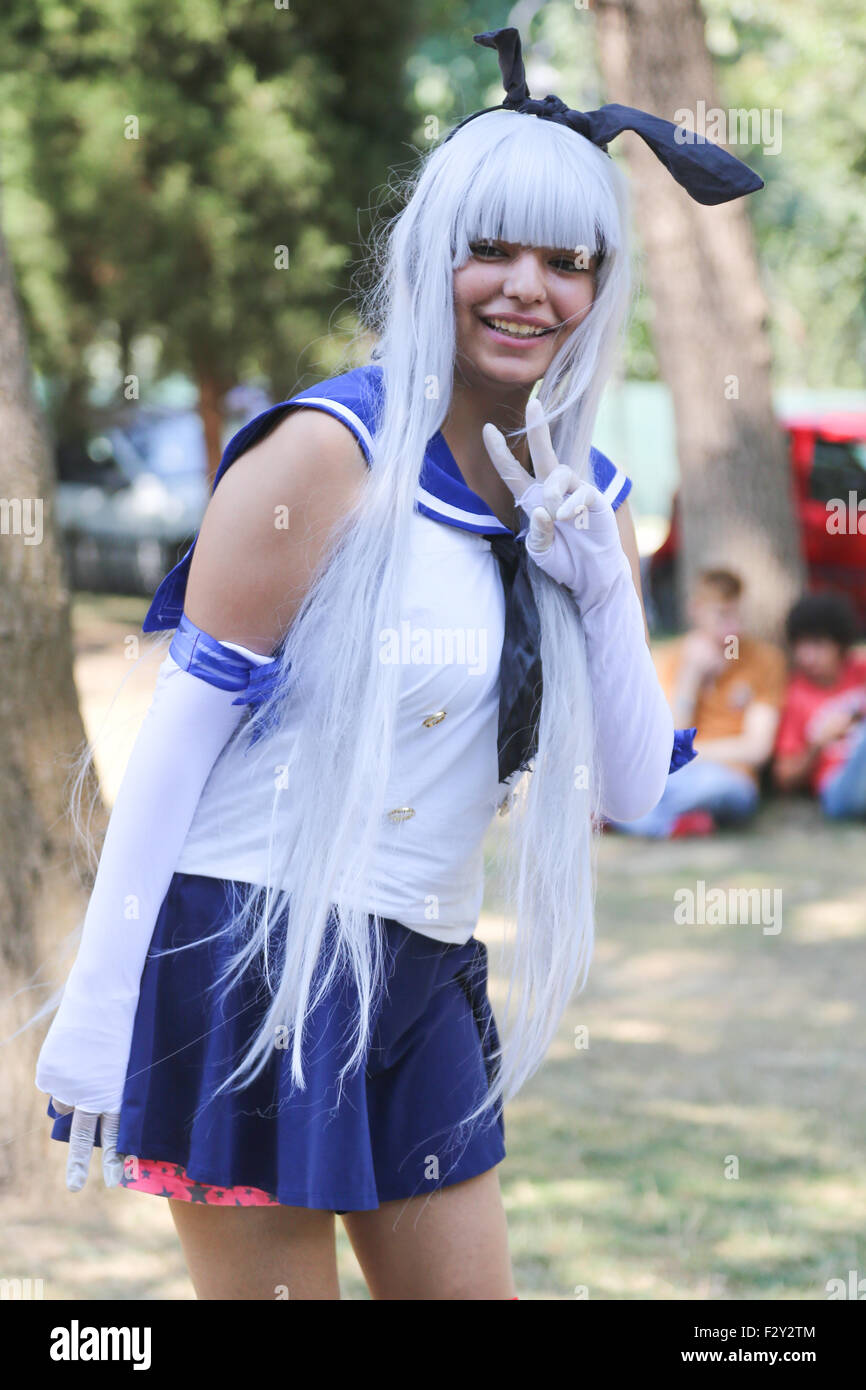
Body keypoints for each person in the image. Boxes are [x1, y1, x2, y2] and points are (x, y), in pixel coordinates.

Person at [31, 27, 762, 1300]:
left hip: (421, 972)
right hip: (247, 954)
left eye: (564, 259)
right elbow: (176, 745)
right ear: (432, 257)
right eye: (490, 248)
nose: (525, 286)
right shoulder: (322, 457)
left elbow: (637, 793)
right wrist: (97, 1016)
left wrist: (597, 583)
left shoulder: (582, 494)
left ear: (600, 285)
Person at [612, 568, 787, 837]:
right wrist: (691, 677)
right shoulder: (671, 659)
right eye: (723, 615)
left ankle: (628, 818)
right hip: (677, 776)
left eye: (737, 615)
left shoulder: (764, 660)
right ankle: (672, 823)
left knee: (714, 788)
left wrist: (692, 754)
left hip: (729, 777)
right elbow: (667, 741)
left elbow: (756, 750)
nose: (733, 628)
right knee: (630, 782)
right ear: (696, 610)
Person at [773, 592, 866, 818]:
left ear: (840, 645)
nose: (807, 656)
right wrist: (818, 744)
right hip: (838, 789)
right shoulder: (795, 695)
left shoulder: (859, 672)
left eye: (818, 645)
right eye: (801, 645)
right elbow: (784, 778)